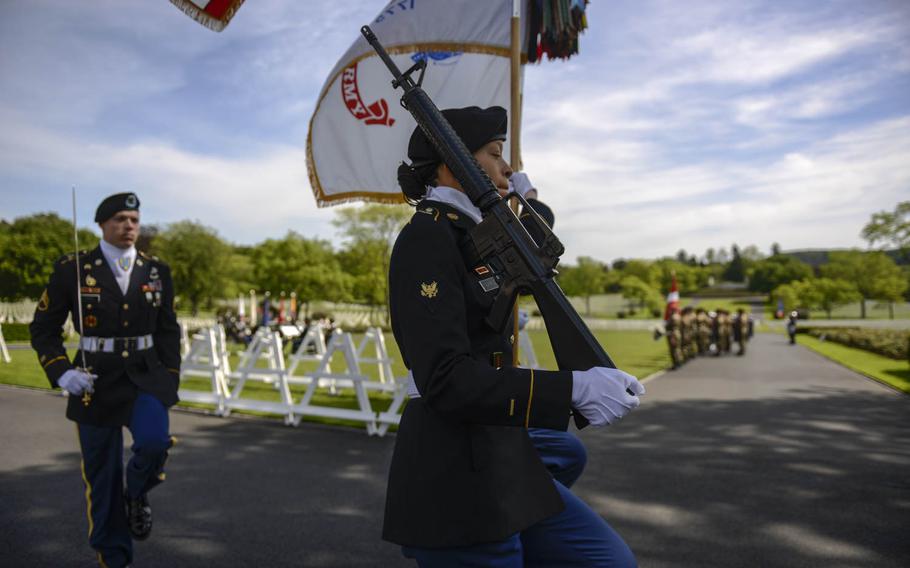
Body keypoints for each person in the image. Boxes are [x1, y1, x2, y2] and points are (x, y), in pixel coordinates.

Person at [384, 106, 644, 567]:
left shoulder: (476, 233)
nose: (507, 169)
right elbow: (446, 378)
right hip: (457, 468)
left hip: (496, 447)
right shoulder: (429, 238)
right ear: (455, 160)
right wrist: (573, 388)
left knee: (606, 550)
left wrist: (531, 198)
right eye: (495, 154)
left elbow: (533, 247)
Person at [30, 193, 181, 568]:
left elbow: (168, 330)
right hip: (94, 381)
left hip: (145, 377)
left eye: (134, 219)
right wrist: (62, 371)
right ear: (101, 224)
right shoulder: (73, 269)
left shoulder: (157, 270)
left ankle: (138, 493)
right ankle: (114, 560)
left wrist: (171, 377)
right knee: (103, 479)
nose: (129, 226)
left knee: (153, 443)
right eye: (119, 219)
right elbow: (43, 328)